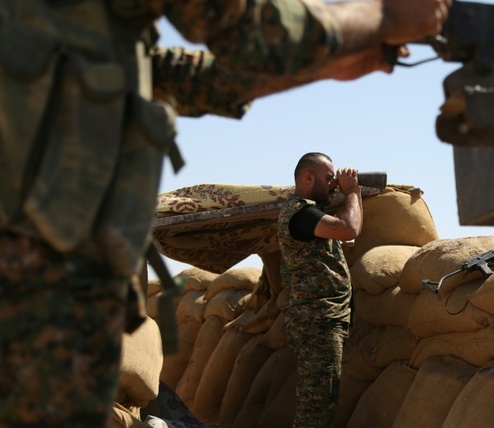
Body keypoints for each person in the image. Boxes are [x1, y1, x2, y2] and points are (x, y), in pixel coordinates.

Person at [0, 0, 451, 426]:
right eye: (327, 178)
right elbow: (251, 30)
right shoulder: (298, 212)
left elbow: (190, 76)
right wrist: (376, 18)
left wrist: (330, 58)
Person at [278, 152, 362, 427]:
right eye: (328, 178)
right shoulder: (301, 213)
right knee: (316, 412)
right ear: (307, 177)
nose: (333, 184)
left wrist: (352, 192)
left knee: (319, 406)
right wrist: (352, 191)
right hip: (318, 323)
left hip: (321, 320)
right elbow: (349, 228)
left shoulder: (307, 215)